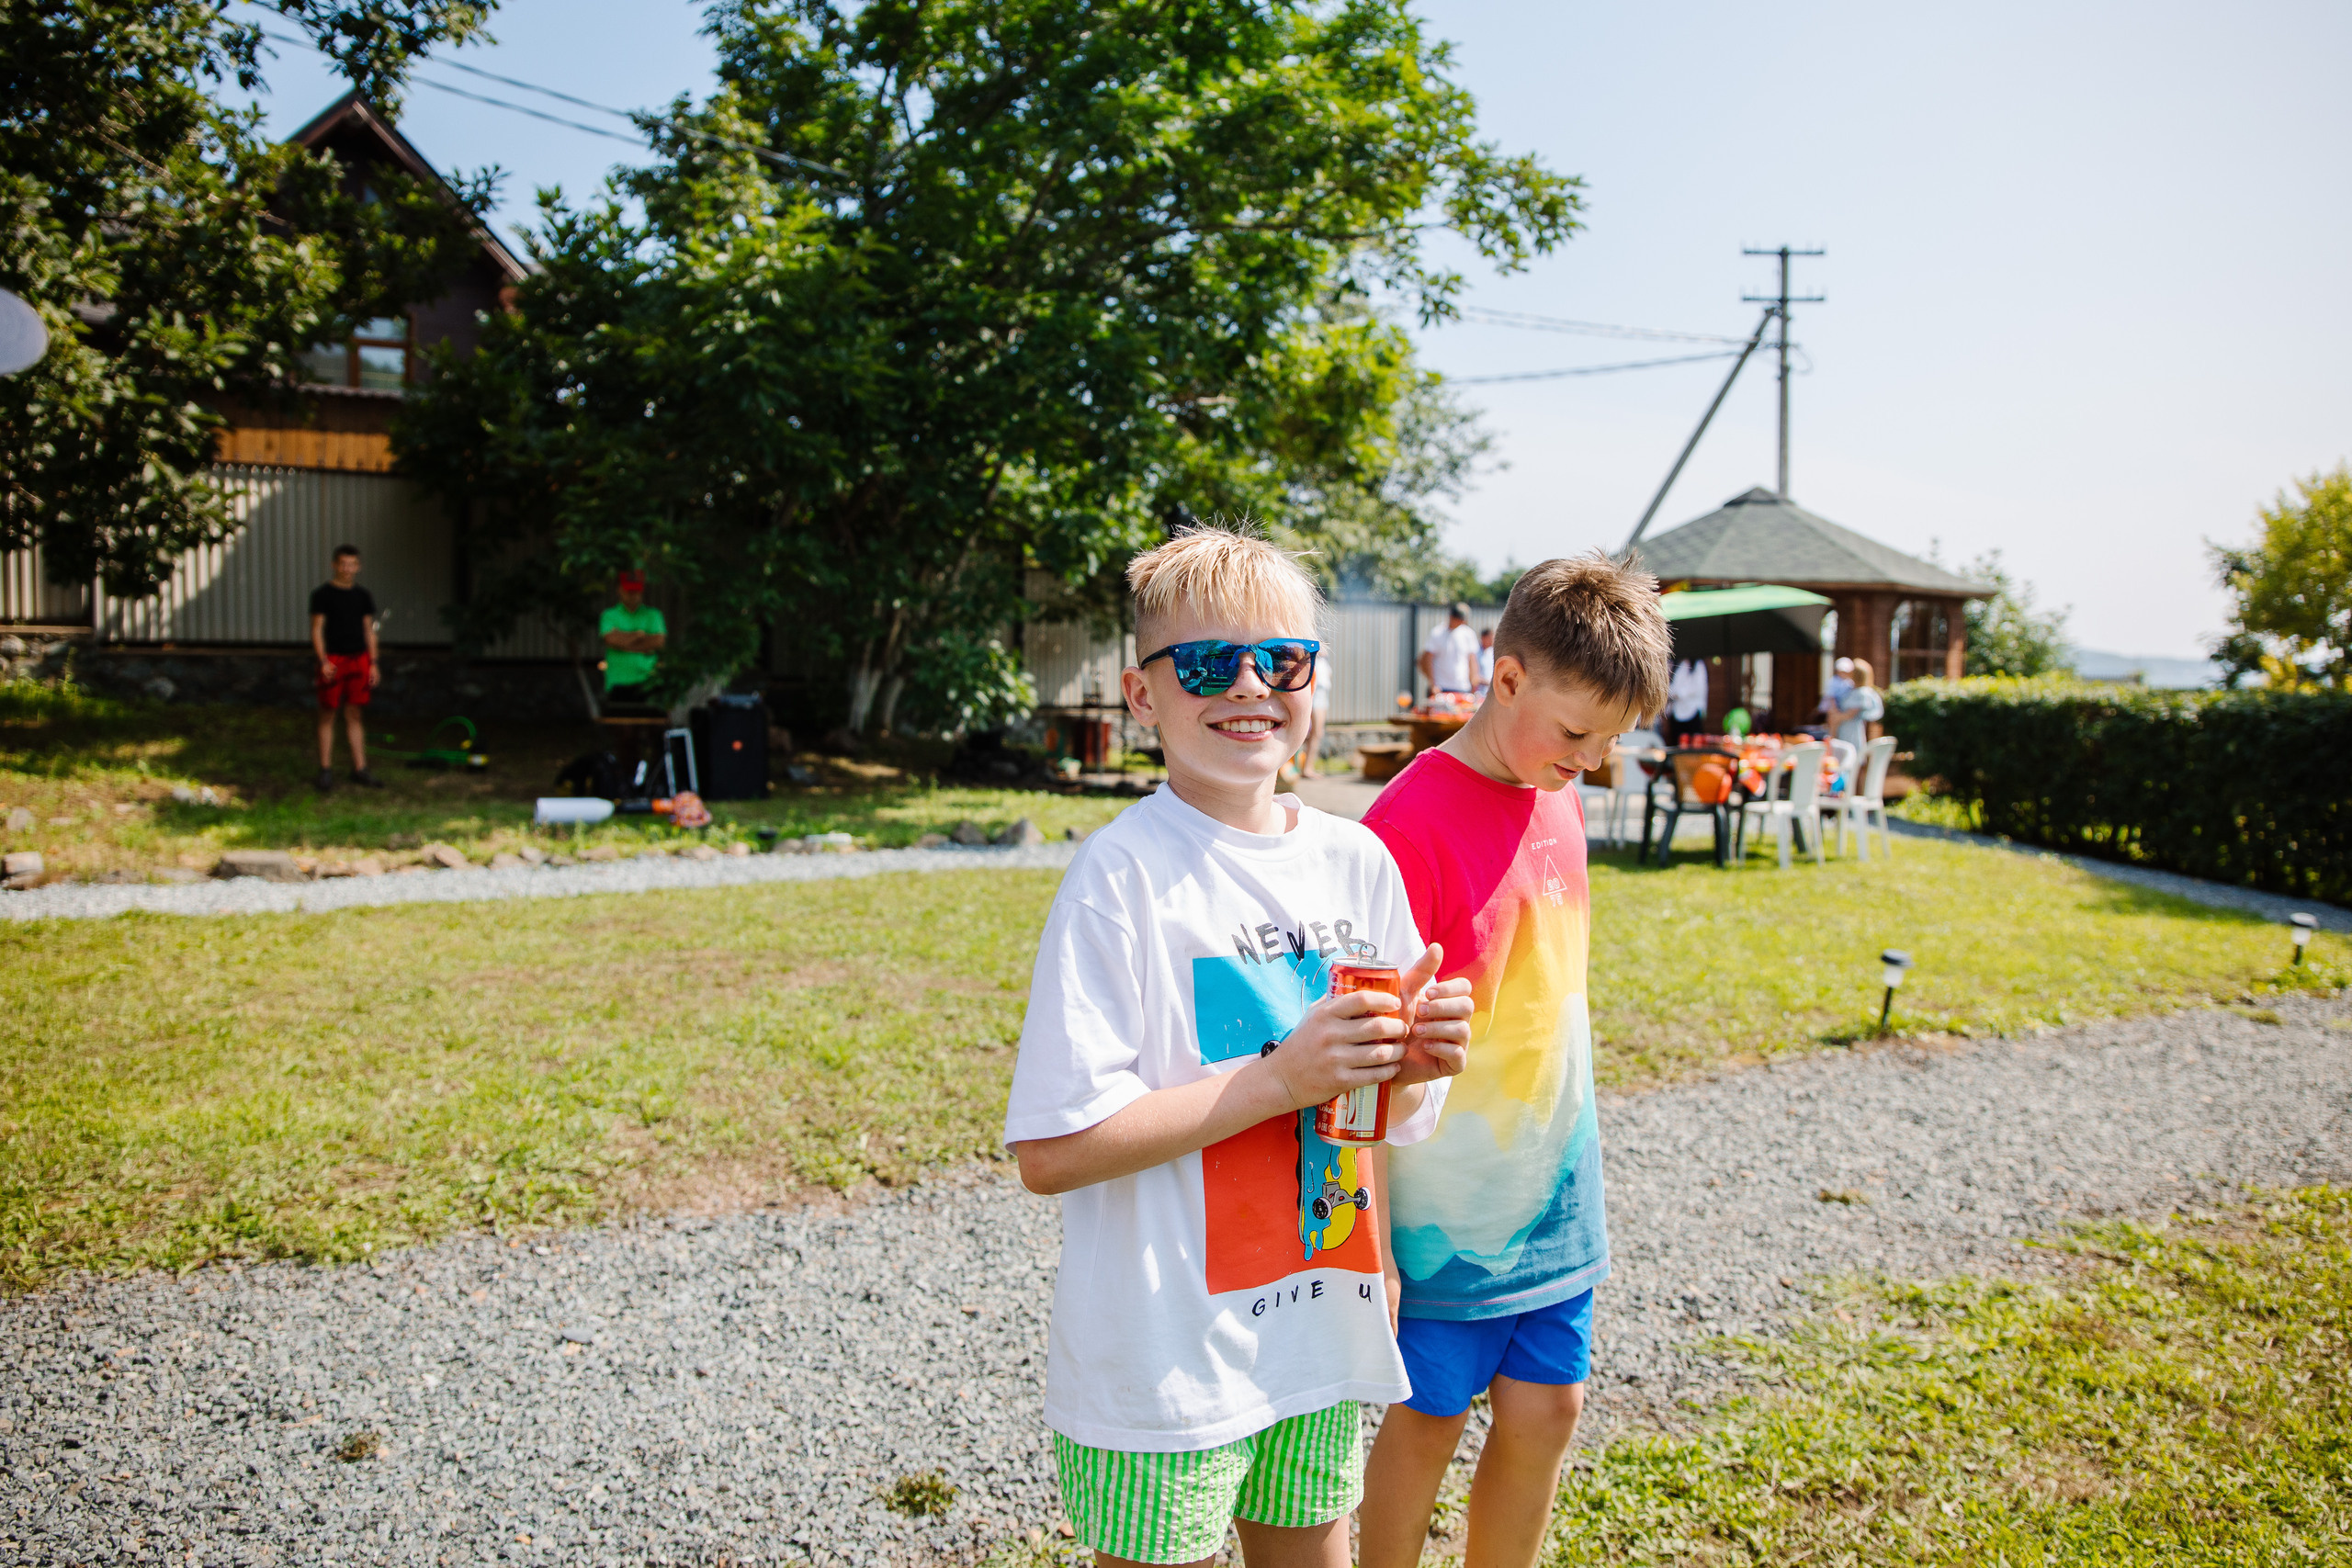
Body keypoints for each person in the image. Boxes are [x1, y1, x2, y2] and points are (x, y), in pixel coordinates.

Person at [1005, 527, 1477, 1568]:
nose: (1251, 685)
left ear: (1315, 680)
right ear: (1142, 696)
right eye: (1211, 664)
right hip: (1162, 1355)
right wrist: (1275, 1079)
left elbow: (1376, 1116)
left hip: (1320, 1322)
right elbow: (1054, 1151)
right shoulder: (1120, 879)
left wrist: (1416, 1062)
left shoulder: (1358, 863)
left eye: (1283, 660)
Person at [1355, 553, 1673, 1568]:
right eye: (1576, 732)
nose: (1588, 760)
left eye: (1609, 742)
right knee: (1429, 1422)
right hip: (1442, 1221)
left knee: (1548, 1412)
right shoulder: (1400, 832)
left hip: (1556, 1194)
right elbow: (1364, 1064)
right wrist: (1369, 1238)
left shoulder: (1557, 788)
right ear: (1504, 680)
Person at [309, 544, 381, 790]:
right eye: (343, 564)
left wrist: (373, 663)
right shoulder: (322, 595)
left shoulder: (363, 596)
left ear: (358, 567)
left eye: (352, 565)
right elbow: (317, 629)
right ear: (334, 565)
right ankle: (325, 770)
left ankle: (360, 768)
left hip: (359, 659)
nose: (347, 569)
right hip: (334, 659)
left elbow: (369, 630)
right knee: (328, 713)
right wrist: (323, 661)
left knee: (355, 714)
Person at [599, 569, 666, 705]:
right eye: (629, 590)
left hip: (647, 680)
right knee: (620, 722)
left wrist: (623, 643)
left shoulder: (653, 615)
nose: (633, 595)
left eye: (636, 591)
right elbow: (611, 639)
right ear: (620, 590)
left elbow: (658, 642)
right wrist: (639, 635)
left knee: (650, 722)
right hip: (618, 680)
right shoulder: (609, 615)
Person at [1418, 602, 1481, 701]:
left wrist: (1474, 681)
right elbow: (1426, 660)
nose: (1460, 622)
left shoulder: (1468, 634)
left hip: (1463, 687)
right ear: (1451, 617)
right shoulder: (1437, 633)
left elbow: (1472, 660)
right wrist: (1432, 683)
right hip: (1441, 687)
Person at [1829, 657, 1884, 757]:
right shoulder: (1851, 689)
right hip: (1845, 728)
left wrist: (1836, 718)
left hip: (1851, 730)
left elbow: (1851, 713)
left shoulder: (1861, 693)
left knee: (1851, 756)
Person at [1661, 656, 1708, 746]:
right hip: (1676, 712)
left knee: (1693, 743)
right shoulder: (1677, 665)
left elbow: (1698, 688)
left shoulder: (1698, 665)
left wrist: (1679, 694)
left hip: (1692, 711)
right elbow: (1671, 686)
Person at [1476, 628, 1497, 694]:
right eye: (1490, 638)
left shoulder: (1493, 652)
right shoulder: (1476, 652)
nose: (1492, 640)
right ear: (1483, 638)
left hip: (1491, 691)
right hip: (1479, 691)